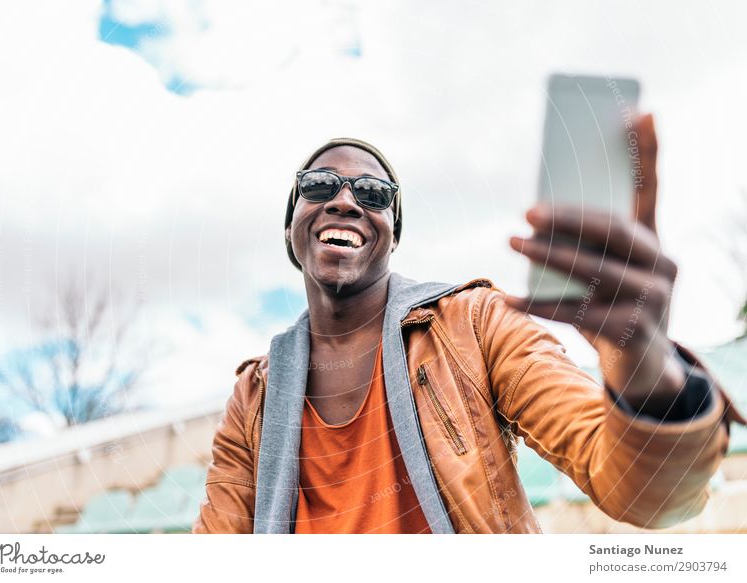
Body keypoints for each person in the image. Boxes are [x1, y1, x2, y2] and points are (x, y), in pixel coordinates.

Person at [193, 116, 745, 533]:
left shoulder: (475, 324)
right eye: (318, 184)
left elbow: (646, 493)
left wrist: (642, 364)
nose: (345, 201)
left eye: (373, 194)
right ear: (293, 220)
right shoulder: (254, 394)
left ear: (391, 233)